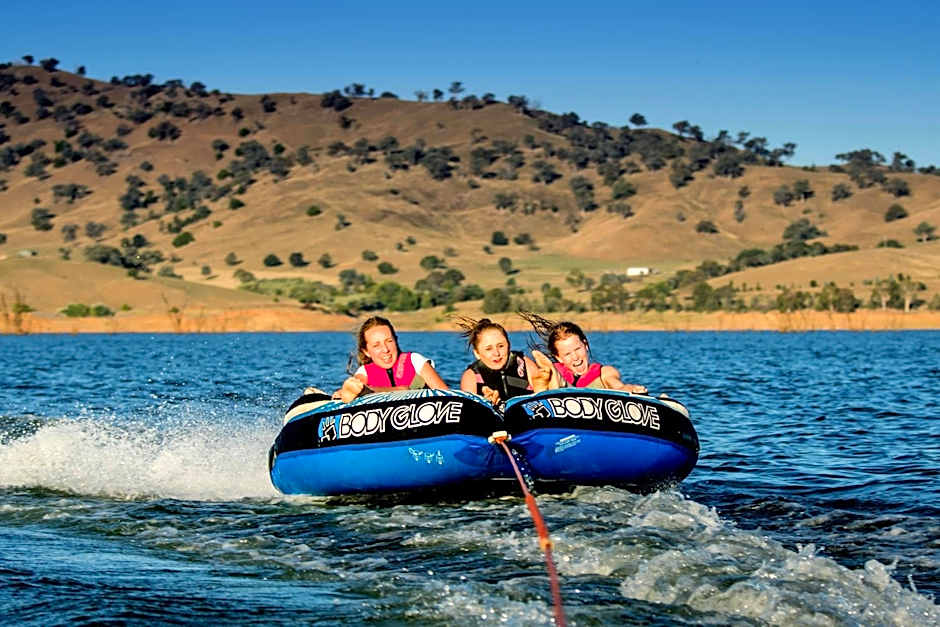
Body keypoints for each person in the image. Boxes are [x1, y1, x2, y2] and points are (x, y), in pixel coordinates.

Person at [518, 311, 648, 394]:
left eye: (577, 349)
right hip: (556, 406)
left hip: (592, 418)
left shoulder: (605, 372)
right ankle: (542, 387)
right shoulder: (553, 372)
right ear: (559, 357)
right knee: (551, 376)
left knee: (554, 378)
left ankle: (549, 387)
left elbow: (619, 387)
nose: (575, 357)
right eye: (567, 354)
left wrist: (630, 389)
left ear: (585, 345)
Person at [336, 316, 447, 403]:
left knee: (404, 390)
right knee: (357, 388)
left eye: (389, 341)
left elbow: (446, 394)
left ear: (396, 341)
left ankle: (366, 392)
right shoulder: (364, 372)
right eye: (376, 345)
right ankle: (364, 392)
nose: (385, 349)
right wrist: (343, 393)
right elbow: (354, 386)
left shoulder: (415, 361)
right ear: (366, 351)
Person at [455, 316, 537, 406]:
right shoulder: (471, 376)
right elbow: (468, 413)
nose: (496, 353)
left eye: (501, 346)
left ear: (509, 345)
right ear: (477, 353)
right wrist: (485, 405)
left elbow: (543, 395)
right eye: (488, 349)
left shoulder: (524, 363)